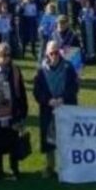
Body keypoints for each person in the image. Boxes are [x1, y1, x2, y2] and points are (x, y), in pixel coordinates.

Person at [33, 40, 80, 178]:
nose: (54, 55)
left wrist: (62, 99)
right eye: (51, 53)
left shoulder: (68, 67)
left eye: (57, 52)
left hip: (66, 106)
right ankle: (50, 166)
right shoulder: (41, 71)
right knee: (49, 138)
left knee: (67, 135)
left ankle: (68, 164)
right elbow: (37, 91)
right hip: (48, 108)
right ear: (47, 54)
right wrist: (48, 100)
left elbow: (74, 87)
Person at [0, 43, 28, 180]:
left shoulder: (15, 70)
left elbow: (21, 91)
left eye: (8, 55)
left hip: (12, 111)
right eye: (3, 55)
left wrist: (23, 111)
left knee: (13, 139)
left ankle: (14, 168)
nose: (6, 58)